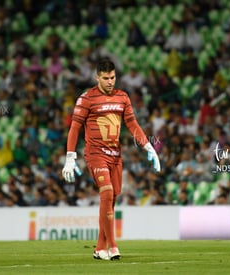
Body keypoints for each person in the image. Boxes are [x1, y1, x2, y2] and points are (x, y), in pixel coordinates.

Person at [62, 59, 160, 261]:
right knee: (106, 192)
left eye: (113, 77)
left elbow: (132, 124)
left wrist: (148, 146)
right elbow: (74, 128)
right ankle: (113, 246)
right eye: (105, 78)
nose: (110, 82)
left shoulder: (122, 97)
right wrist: (70, 157)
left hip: (116, 155)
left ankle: (99, 248)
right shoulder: (87, 99)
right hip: (95, 154)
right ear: (97, 77)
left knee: (111, 200)